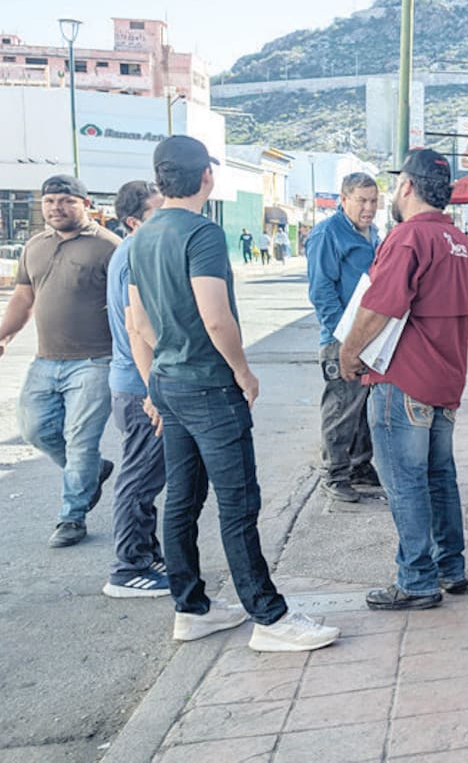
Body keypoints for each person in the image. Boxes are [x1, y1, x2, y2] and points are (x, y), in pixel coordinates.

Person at [128, 135, 338, 652]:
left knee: (182, 500)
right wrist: (242, 372)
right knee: (238, 503)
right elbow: (216, 318)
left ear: (160, 179)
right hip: (209, 386)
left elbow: (138, 323)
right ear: (207, 177)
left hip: (170, 381)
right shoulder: (201, 232)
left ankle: (190, 607)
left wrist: (158, 375)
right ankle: (269, 617)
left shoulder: (143, 235)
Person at [339, 148, 468, 611]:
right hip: (445, 381)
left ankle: (417, 578)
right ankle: (449, 566)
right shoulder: (462, 244)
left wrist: (349, 353)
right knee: (440, 477)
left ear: (406, 186)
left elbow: (379, 307)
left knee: (405, 482)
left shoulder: (407, 239)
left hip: (404, 381)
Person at [0, 174, 119, 548]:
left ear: (85, 204)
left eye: (66, 200)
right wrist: (1, 340)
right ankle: (92, 472)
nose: (57, 208)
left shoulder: (109, 247)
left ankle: (72, 517)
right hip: (45, 360)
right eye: (49, 201)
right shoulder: (35, 246)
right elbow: (23, 299)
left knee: (80, 441)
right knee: (34, 430)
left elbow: (129, 306)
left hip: (95, 361)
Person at [104, 180, 170, 597]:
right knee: (139, 479)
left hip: (133, 384)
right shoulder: (135, 255)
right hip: (139, 386)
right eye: (157, 213)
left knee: (146, 476)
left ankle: (145, 553)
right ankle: (128, 569)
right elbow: (139, 329)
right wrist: (154, 392)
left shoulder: (132, 250)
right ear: (133, 221)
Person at [305, 172, 381, 502]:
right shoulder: (328, 233)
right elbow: (321, 291)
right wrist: (346, 340)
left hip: (368, 334)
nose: (369, 208)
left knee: (361, 408)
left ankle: (360, 467)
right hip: (341, 339)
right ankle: (335, 474)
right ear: (344, 198)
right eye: (361, 201)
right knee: (341, 407)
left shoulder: (373, 232)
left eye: (373, 201)